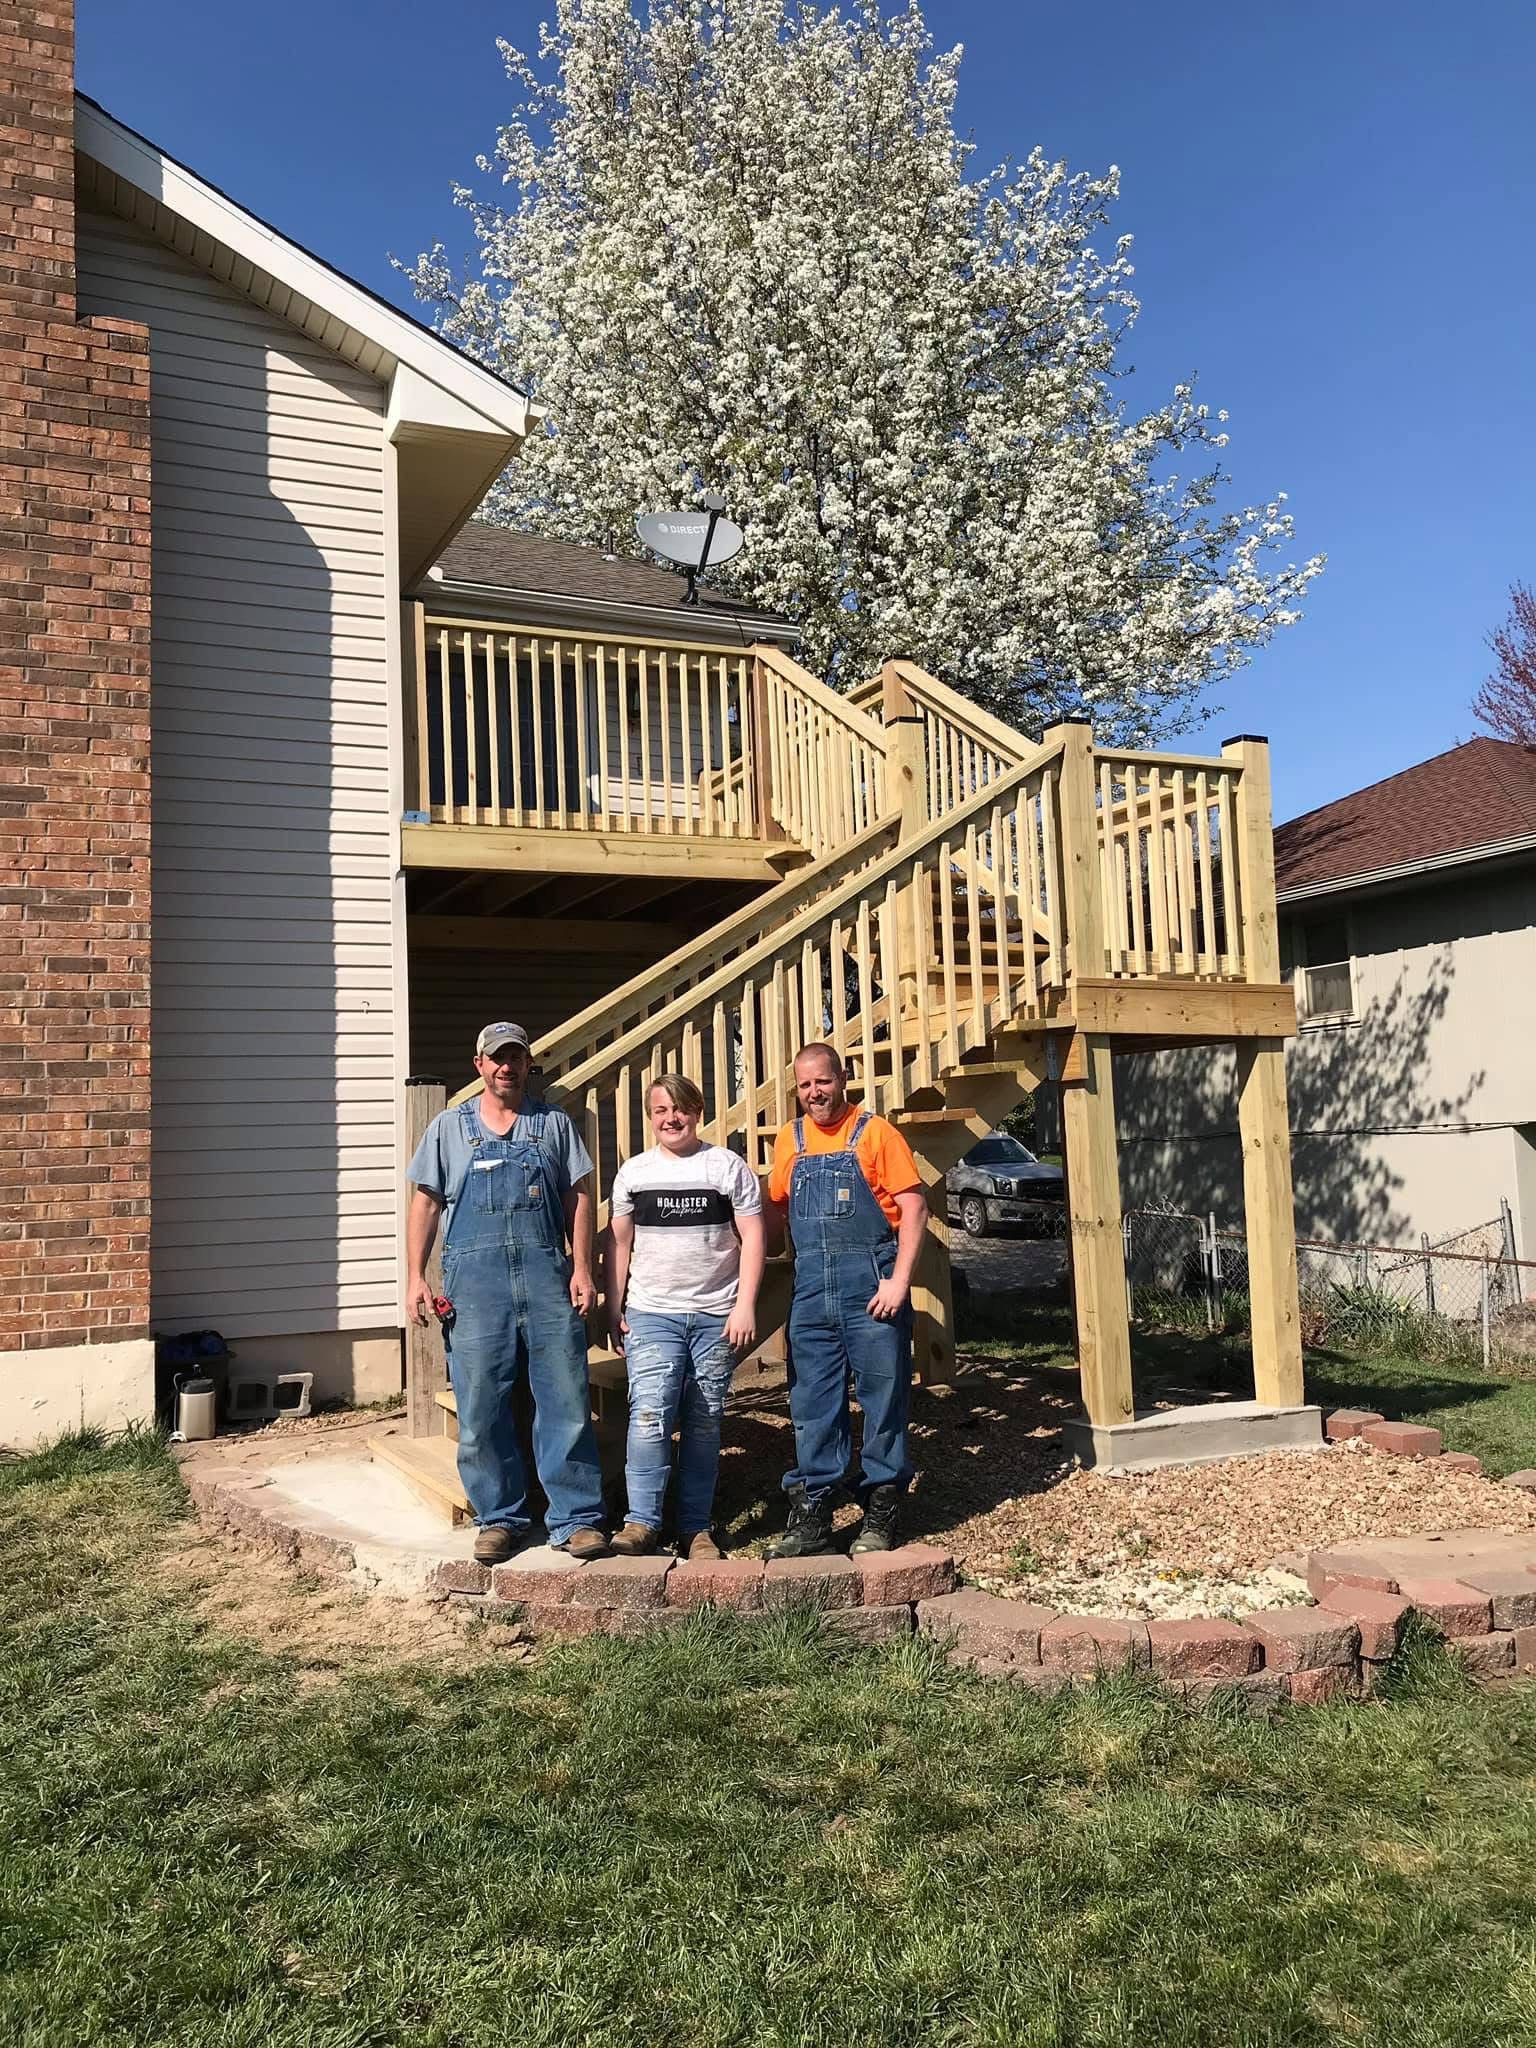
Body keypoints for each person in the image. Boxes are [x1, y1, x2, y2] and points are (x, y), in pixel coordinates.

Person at [405, 1022, 610, 1565]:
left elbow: (580, 1199)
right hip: (475, 1289)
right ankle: (499, 1518)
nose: (506, 1067)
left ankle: (576, 1518)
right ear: (479, 1065)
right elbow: (425, 1204)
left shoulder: (554, 1125)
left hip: (547, 1277)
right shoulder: (448, 1129)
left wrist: (583, 1269)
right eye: (496, 1058)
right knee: (480, 1405)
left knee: (565, 1398)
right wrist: (414, 1277)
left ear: (526, 1064)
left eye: (515, 1057)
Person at [765, 1042, 927, 1558]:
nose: (816, 1093)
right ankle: (813, 1509)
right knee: (813, 1402)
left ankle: (881, 1503)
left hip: (871, 1286)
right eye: (806, 1085)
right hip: (811, 1290)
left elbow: (914, 1207)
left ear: (843, 1079)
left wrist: (899, 1281)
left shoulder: (876, 1133)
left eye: (824, 1081)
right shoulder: (788, 1140)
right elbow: (772, 1216)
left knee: (883, 1397)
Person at [604, 1073, 766, 1561]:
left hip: (716, 1316)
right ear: (650, 1118)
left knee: (704, 1421)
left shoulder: (727, 1167)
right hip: (653, 1313)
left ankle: (696, 1528)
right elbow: (619, 1245)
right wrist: (614, 1306)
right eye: (660, 1111)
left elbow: (754, 1238)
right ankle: (642, 1522)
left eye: (680, 1109)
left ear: (696, 1112)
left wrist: (745, 1304)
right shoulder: (634, 1173)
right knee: (650, 1415)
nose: (671, 1119)